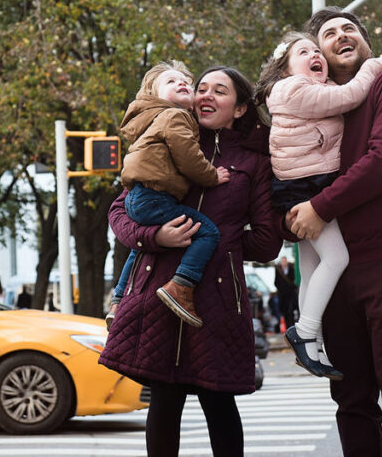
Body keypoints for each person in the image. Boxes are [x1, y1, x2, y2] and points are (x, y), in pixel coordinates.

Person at [99, 66, 294, 457]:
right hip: (157, 290)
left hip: (218, 300)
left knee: (219, 401)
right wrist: (155, 236)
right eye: (201, 88)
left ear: (239, 109)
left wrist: (222, 247)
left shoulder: (254, 162)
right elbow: (121, 212)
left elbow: (267, 241)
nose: (205, 95)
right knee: (165, 401)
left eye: (219, 91)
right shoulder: (169, 132)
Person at [287, 7, 382, 457]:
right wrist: (288, 217)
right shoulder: (322, 110)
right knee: (351, 401)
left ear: (365, 44)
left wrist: (318, 207)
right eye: (328, 34)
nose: (341, 36)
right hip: (338, 270)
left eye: (349, 29)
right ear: (319, 55)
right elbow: (290, 176)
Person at [257, 30, 382, 379]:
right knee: (337, 257)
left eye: (317, 50)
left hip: (303, 182)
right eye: (304, 52)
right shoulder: (292, 90)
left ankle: (311, 347)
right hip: (306, 185)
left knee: (312, 265)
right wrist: (374, 66)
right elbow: (351, 95)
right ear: (285, 69)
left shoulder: (314, 88)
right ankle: (304, 331)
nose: (315, 54)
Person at [107, 61, 230, 330]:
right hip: (155, 196)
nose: (182, 84)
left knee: (134, 252)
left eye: (186, 82)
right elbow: (188, 157)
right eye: (171, 82)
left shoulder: (152, 123)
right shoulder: (175, 117)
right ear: (155, 97)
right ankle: (181, 284)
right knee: (207, 232)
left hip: (139, 196)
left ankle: (117, 299)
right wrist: (212, 176)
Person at [273, 256, 297, 332]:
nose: (284, 263)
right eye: (282, 261)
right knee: (285, 312)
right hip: (282, 295)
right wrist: (280, 289)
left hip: (290, 294)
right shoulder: (278, 270)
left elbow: (294, 280)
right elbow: (276, 282)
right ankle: (287, 329)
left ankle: (292, 328)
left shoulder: (291, 269)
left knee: (291, 311)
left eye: (285, 261)